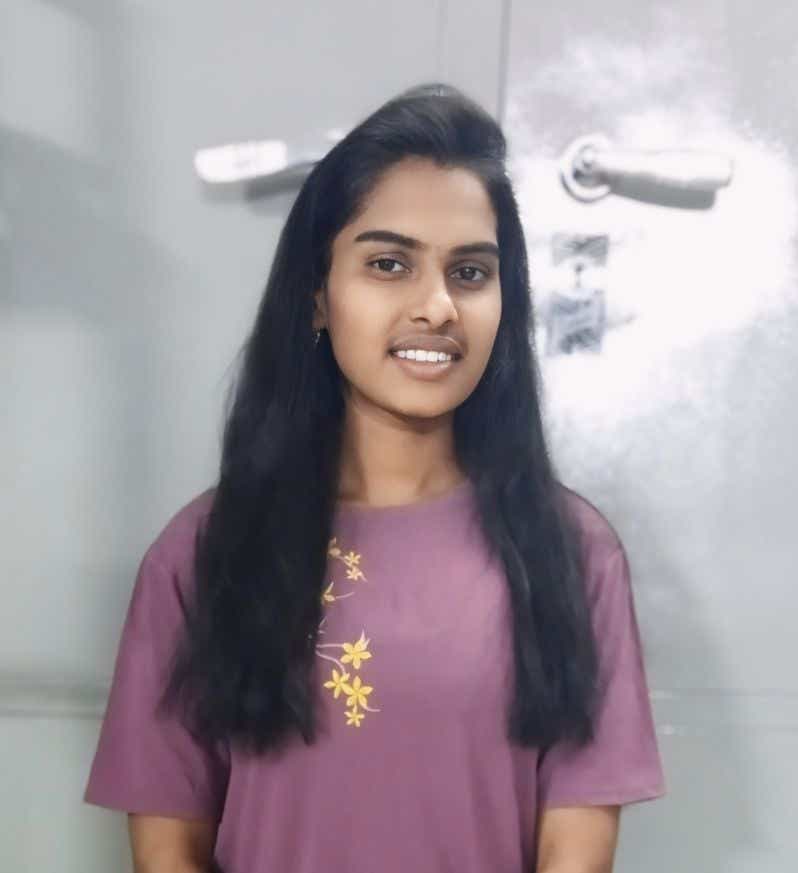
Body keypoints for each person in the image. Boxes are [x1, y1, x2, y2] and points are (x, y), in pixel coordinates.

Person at [83, 82, 666, 873]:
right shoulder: (204, 552)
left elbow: (577, 851)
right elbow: (167, 849)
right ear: (318, 298)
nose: (438, 306)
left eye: (470, 272)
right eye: (389, 264)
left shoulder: (570, 554)